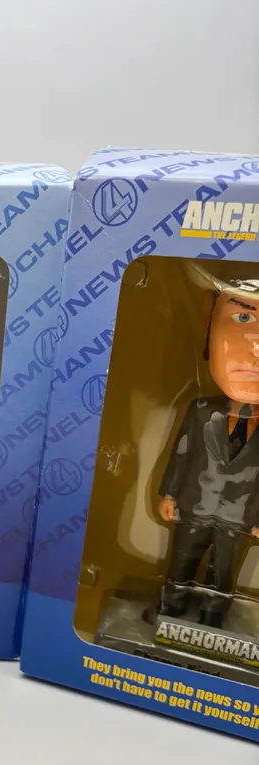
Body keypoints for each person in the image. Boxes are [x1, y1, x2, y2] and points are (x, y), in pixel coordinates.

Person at [158, 268, 259, 627]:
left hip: (239, 516)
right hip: (195, 503)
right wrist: (169, 493)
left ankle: (212, 620)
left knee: (224, 574)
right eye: (243, 318)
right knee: (182, 561)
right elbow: (181, 453)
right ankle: (170, 609)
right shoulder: (202, 409)